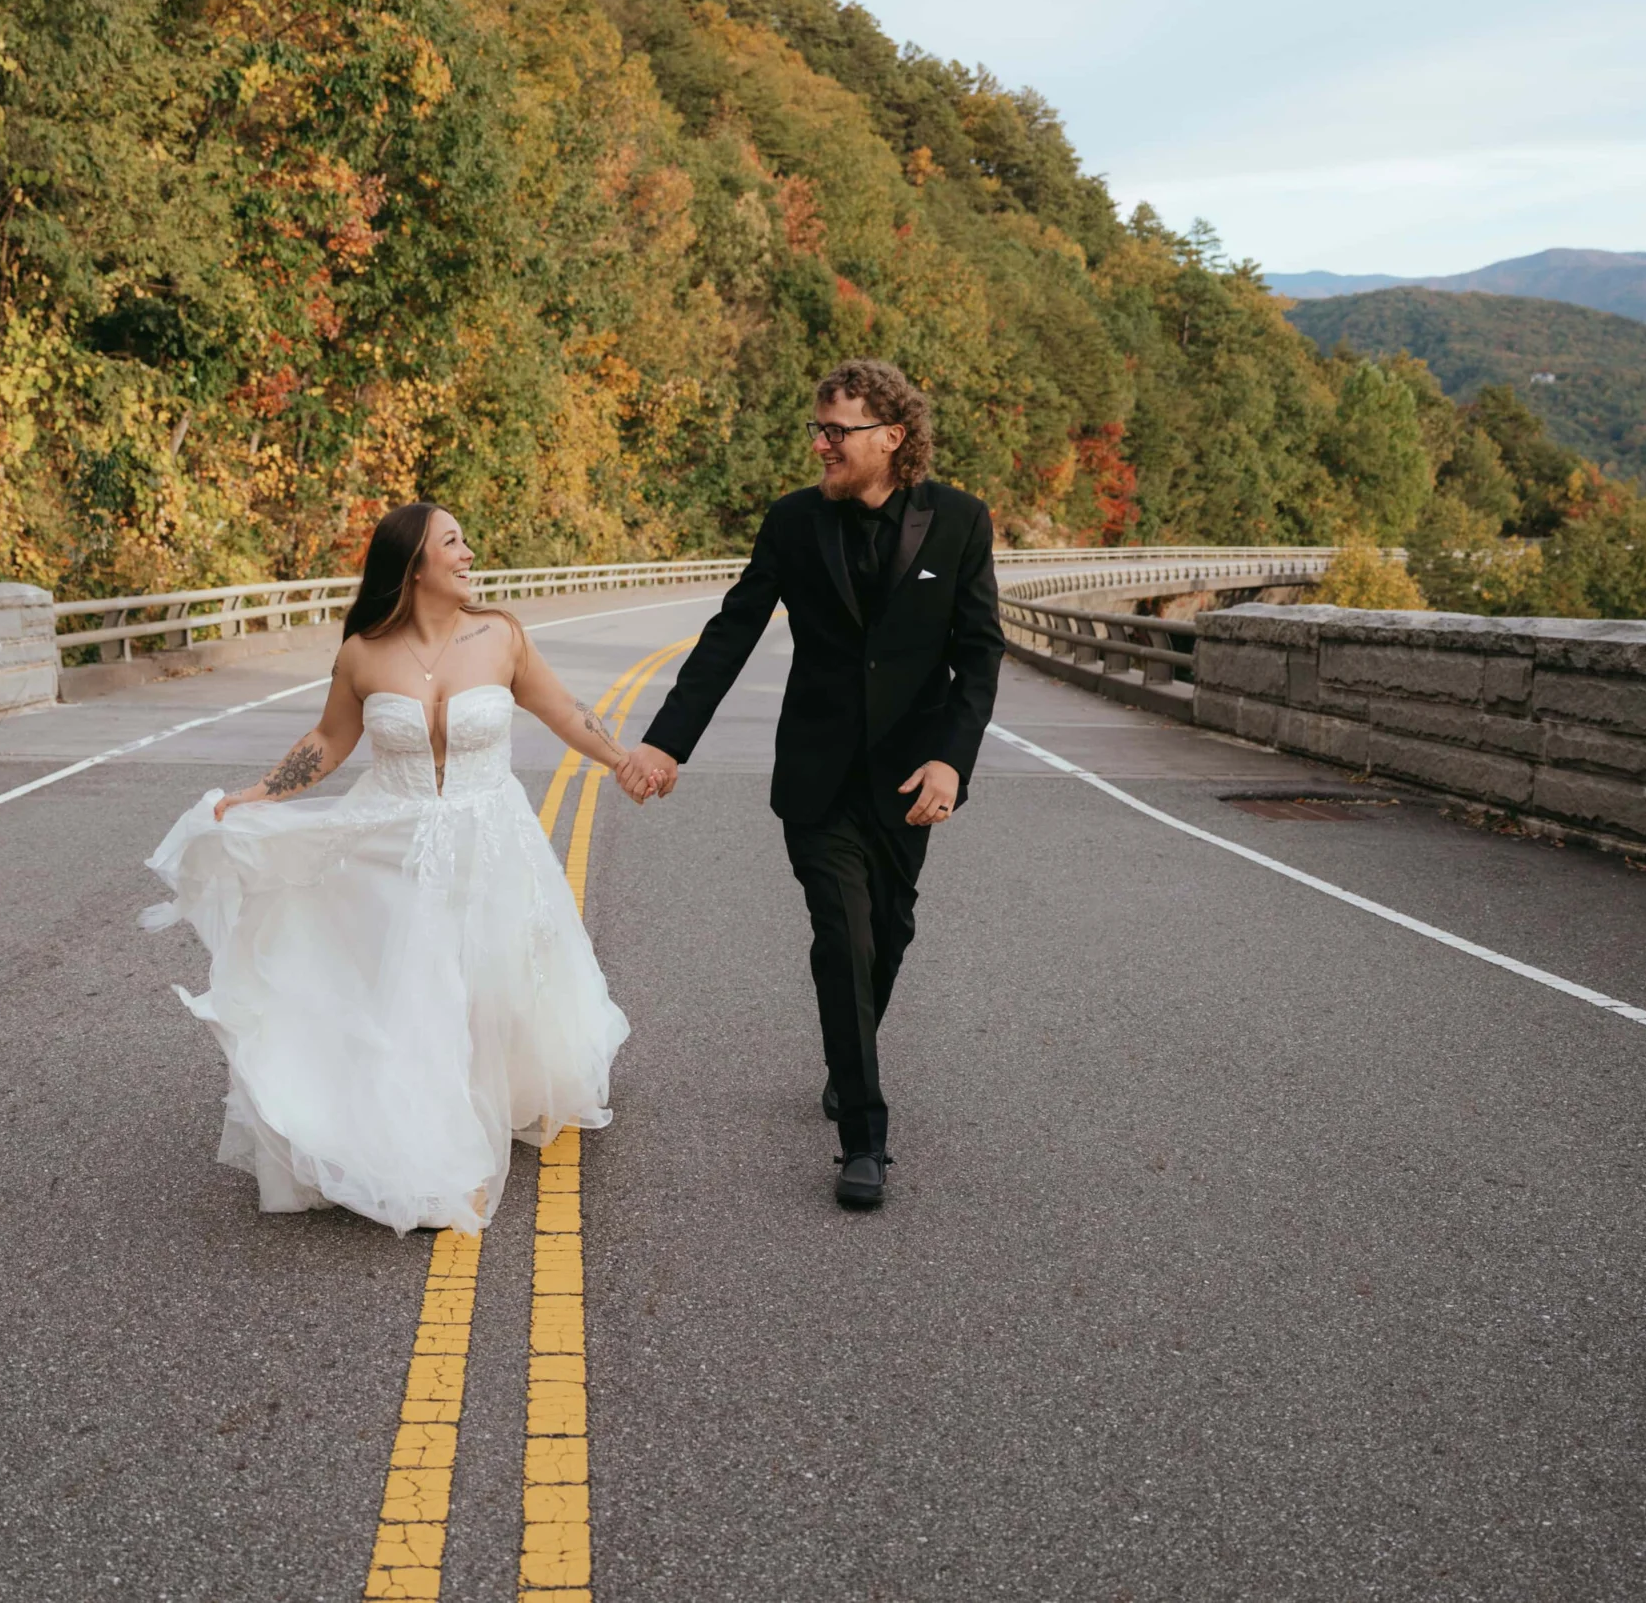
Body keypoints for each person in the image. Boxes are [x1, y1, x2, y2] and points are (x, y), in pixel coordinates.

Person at [142, 503, 637, 1235]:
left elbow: (564, 710)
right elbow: (330, 740)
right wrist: (255, 795)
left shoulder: (500, 636)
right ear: (414, 566)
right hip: (395, 841)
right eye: (453, 543)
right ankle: (437, 1153)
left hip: (493, 837)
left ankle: (492, 1099)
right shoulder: (364, 653)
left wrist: (623, 760)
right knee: (420, 995)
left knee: (492, 985)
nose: (470, 553)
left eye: (467, 538)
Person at [615, 360, 1005, 1210]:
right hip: (818, 776)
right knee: (843, 935)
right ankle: (864, 1139)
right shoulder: (793, 523)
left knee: (888, 935)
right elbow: (731, 634)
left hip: (910, 778)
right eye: (818, 429)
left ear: (891, 439)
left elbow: (978, 658)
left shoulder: (960, 523)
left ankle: (845, 1056)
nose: (821, 443)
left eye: (838, 430)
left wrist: (952, 759)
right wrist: (665, 742)